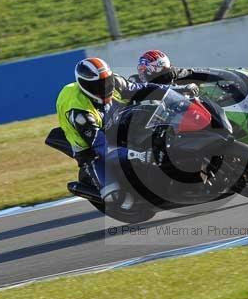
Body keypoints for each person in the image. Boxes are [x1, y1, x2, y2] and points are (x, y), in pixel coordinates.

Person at [53, 57, 194, 204]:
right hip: (92, 146)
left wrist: (175, 90)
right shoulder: (81, 114)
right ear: (85, 86)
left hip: (113, 119)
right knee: (114, 196)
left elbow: (143, 88)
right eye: (98, 86)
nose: (105, 87)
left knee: (149, 109)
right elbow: (102, 146)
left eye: (107, 82)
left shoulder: (115, 82)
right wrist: (139, 155)